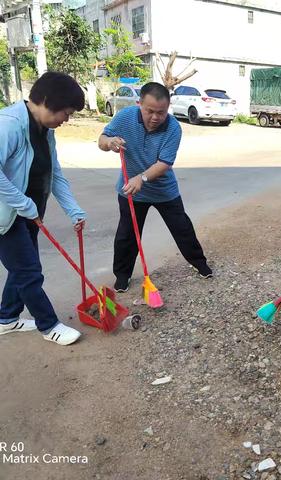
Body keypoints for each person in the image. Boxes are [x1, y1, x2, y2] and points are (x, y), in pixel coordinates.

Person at [98, 82, 212, 292]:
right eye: (149, 111)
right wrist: (110, 142)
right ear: (139, 103)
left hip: (164, 191)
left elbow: (164, 164)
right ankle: (122, 276)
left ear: (168, 108)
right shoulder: (125, 117)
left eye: (161, 112)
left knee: (182, 228)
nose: (155, 117)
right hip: (130, 191)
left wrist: (141, 178)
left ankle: (200, 263)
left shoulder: (173, 128)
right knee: (127, 234)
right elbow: (102, 139)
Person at [0, 72, 87, 346]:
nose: (66, 119)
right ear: (47, 100)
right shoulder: (9, 126)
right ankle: (48, 325)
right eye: (66, 112)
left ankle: (7, 318)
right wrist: (25, 204)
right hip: (6, 216)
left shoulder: (45, 131)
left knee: (21, 269)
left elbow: (54, 172)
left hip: (27, 213)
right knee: (28, 272)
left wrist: (73, 210)